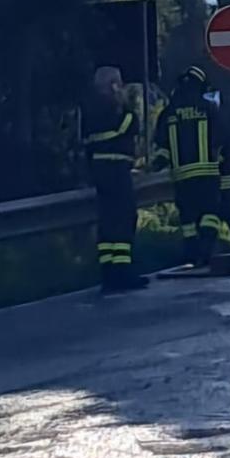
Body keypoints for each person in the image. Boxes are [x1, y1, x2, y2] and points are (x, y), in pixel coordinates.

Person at [153, 66, 227, 266]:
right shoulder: (209, 108)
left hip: (182, 177)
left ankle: (192, 252)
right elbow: (222, 138)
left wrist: (155, 166)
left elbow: (161, 146)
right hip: (207, 175)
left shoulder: (168, 112)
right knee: (210, 213)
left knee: (188, 217)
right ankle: (206, 247)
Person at [83, 66, 147, 294]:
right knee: (123, 219)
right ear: (112, 85)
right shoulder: (117, 109)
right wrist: (126, 101)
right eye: (118, 83)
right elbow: (132, 125)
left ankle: (109, 274)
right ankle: (123, 273)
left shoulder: (89, 109)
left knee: (108, 222)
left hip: (99, 171)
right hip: (116, 169)